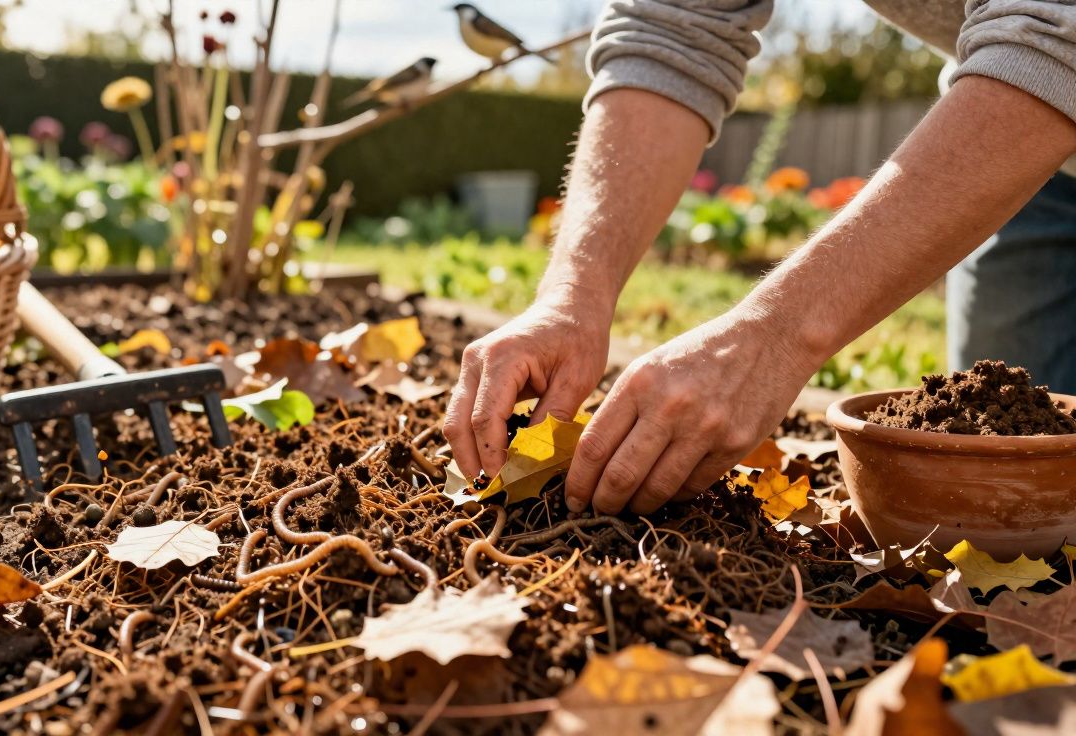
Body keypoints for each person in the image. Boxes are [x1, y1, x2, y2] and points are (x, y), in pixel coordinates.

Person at [443, 0, 1076, 517]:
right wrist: (572, 294)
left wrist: (775, 335)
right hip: (1027, 151)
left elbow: (1055, 33)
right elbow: (672, 29)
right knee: (1014, 493)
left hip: (1028, 106)